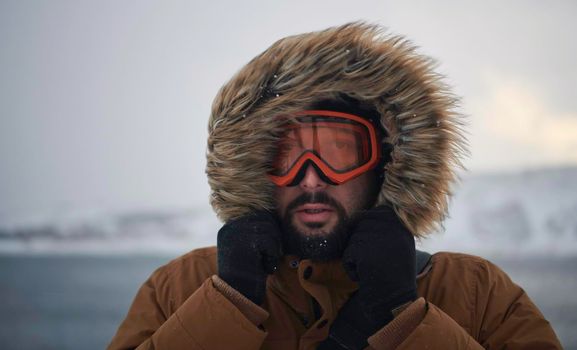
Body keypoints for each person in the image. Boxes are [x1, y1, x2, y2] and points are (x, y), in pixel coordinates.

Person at [108, 22, 561, 349]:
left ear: (384, 162)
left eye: (340, 151)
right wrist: (227, 307)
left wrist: (403, 318)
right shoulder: (181, 288)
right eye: (284, 155)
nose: (310, 176)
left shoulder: (475, 293)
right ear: (253, 168)